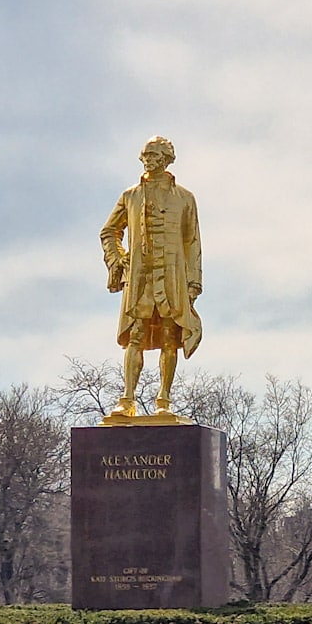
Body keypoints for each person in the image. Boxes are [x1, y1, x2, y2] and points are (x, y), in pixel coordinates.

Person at [99, 135, 202, 419]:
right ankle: (127, 398)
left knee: (171, 336)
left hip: (171, 275)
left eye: (154, 154)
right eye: (145, 154)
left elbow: (192, 241)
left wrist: (194, 282)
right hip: (141, 275)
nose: (148, 159)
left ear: (167, 159)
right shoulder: (130, 195)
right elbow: (109, 231)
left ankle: (164, 400)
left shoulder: (185, 198)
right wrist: (117, 260)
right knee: (136, 334)